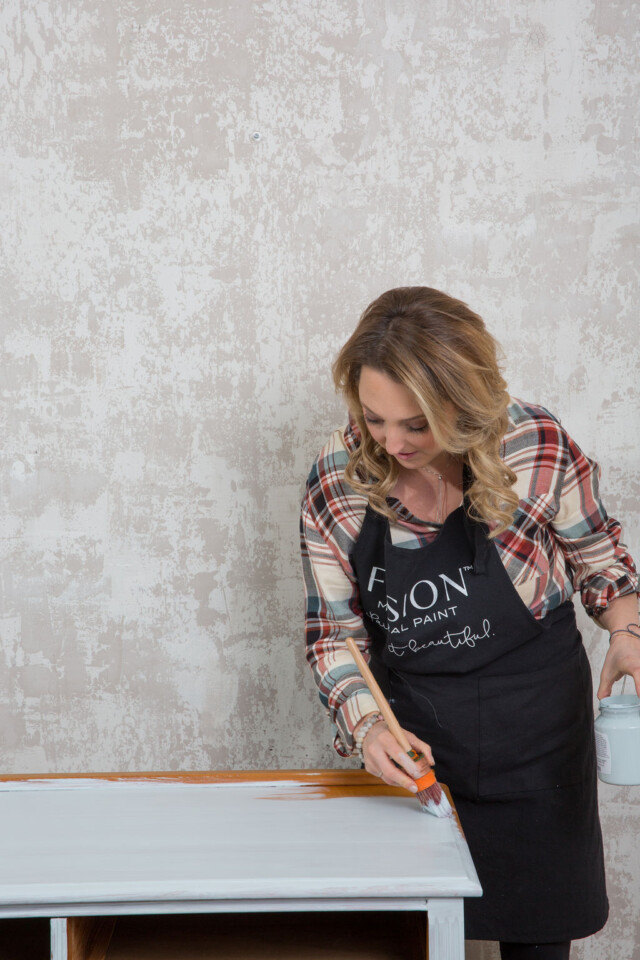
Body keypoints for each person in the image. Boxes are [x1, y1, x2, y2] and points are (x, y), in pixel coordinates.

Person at [300, 287, 640, 960]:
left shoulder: (533, 445)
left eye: (416, 425)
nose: (391, 443)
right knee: (411, 940)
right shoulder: (336, 482)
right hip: (421, 747)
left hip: (540, 741)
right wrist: (368, 728)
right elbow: (333, 636)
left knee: (540, 943)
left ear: (465, 404)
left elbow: (599, 561)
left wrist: (626, 633)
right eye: (374, 419)